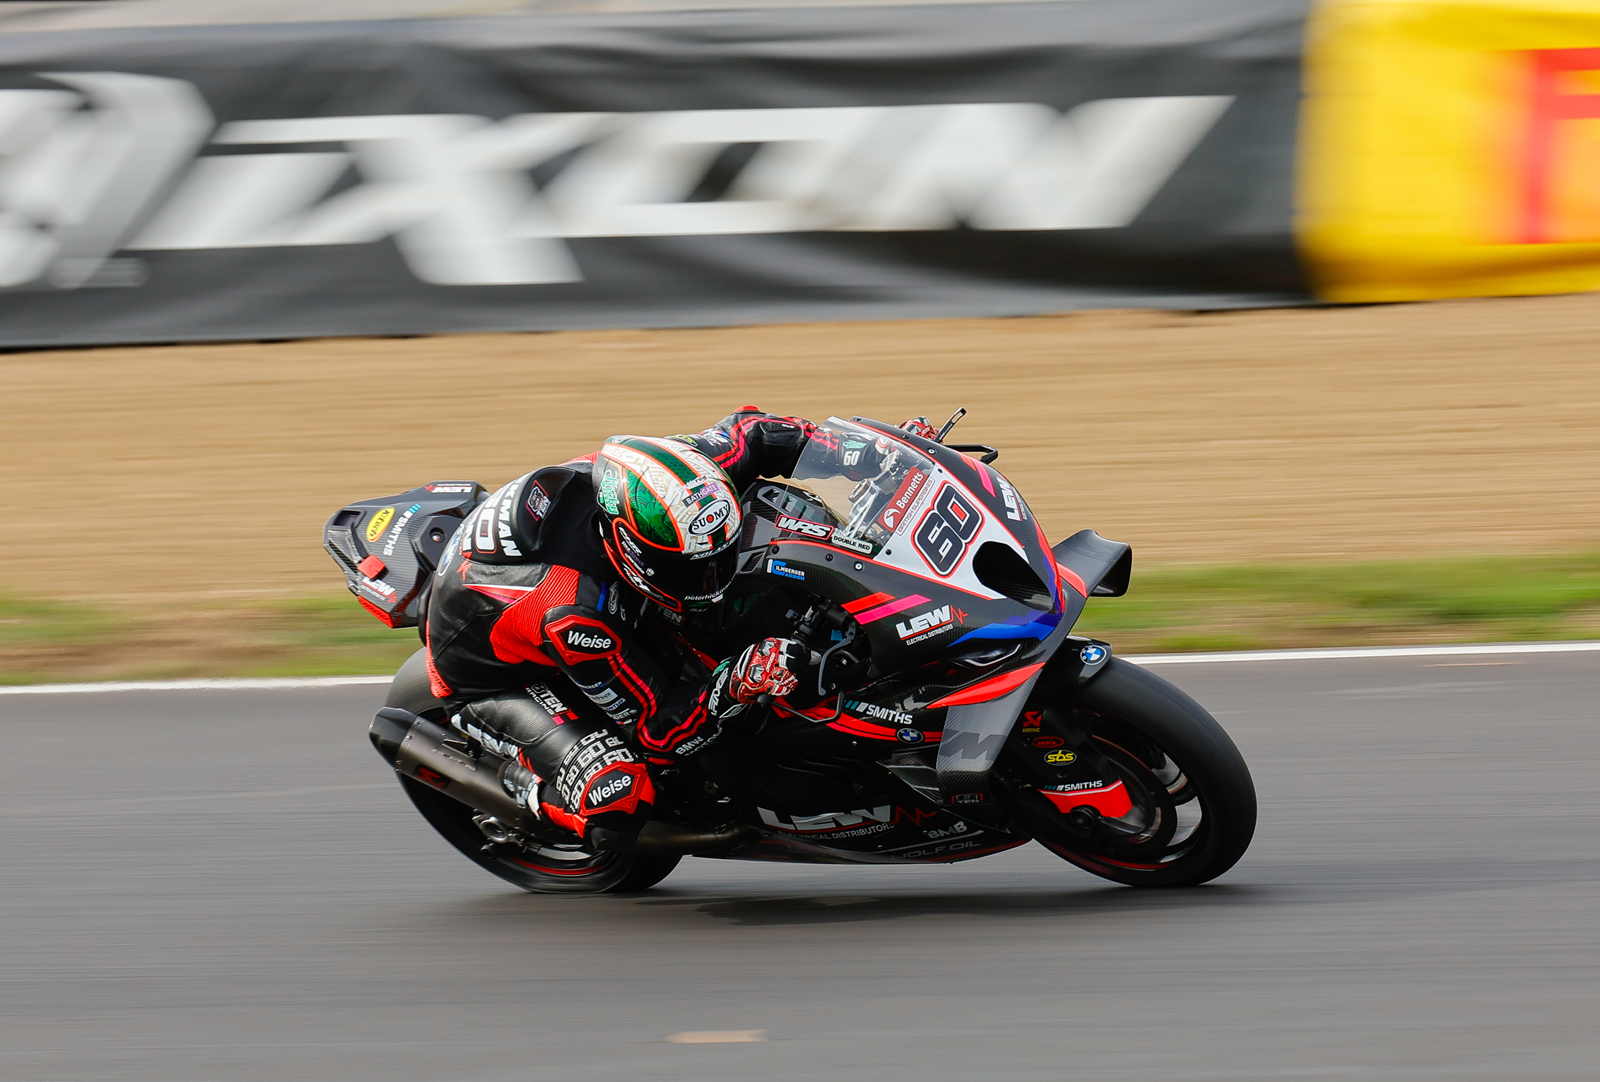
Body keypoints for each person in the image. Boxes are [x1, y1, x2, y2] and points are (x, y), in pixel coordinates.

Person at [423, 407, 939, 852]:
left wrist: (870, 454)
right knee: (617, 794)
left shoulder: (678, 479)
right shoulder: (574, 613)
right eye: (699, 570)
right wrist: (736, 683)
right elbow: (656, 730)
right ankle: (529, 789)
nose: (716, 576)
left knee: (773, 535)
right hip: (495, 679)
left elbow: (755, 433)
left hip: (588, 587)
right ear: (634, 553)